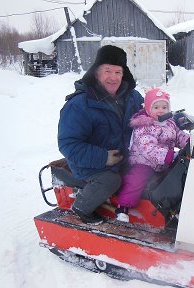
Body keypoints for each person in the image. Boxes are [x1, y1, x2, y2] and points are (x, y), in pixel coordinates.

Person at [58, 45, 144, 225]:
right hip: (89, 164)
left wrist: (166, 120)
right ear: (96, 72)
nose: (113, 77)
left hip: (123, 157)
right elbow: (68, 144)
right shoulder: (79, 105)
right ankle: (82, 207)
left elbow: (147, 115)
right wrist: (104, 158)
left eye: (118, 72)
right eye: (108, 71)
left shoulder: (132, 97)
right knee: (111, 180)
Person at [115, 88, 190, 222]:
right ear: (149, 109)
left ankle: (175, 207)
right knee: (136, 180)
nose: (161, 110)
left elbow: (179, 136)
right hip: (144, 161)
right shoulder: (144, 127)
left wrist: (191, 142)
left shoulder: (170, 123)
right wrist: (169, 155)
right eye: (156, 107)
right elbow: (148, 148)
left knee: (178, 177)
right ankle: (123, 206)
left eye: (164, 107)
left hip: (165, 161)